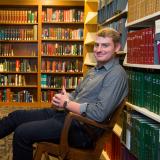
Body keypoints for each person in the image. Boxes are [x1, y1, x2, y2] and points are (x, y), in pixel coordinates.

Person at [0, 27, 128, 160]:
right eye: (97, 45)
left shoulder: (116, 74)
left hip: (81, 129)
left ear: (117, 47)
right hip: (66, 116)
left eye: (105, 45)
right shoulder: (94, 70)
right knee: (16, 116)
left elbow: (99, 113)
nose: (99, 49)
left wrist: (67, 103)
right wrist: (66, 97)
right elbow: (77, 94)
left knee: (22, 133)